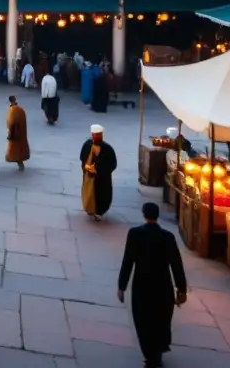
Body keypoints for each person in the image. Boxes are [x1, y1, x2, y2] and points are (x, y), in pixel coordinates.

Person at [118, 202, 188, 368]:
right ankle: (157, 352)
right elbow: (176, 265)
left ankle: (150, 355)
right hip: (163, 286)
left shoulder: (134, 234)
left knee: (143, 320)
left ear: (144, 214)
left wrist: (122, 286)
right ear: (157, 216)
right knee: (160, 319)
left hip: (141, 285)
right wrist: (181, 289)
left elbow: (127, 261)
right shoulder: (168, 237)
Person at [80, 124, 117, 220]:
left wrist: (101, 170)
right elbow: (83, 159)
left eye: (99, 135)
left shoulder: (107, 149)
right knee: (89, 193)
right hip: (89, 175)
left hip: (102, 178)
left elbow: (112, 164)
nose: (97, 137)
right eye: (95, 135)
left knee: (101, 195)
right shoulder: (87, 145)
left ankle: (99, 211)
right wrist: (87, 168)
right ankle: (90, 208)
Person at [5, 96, 30, 171]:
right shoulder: (21, 109)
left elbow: (12, 123)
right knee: (20, 149)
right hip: (22, 133)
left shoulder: (12, 110)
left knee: (15, 151)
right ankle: (20, 163)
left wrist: (10, 135)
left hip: (15, 134)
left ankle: (20, 164)